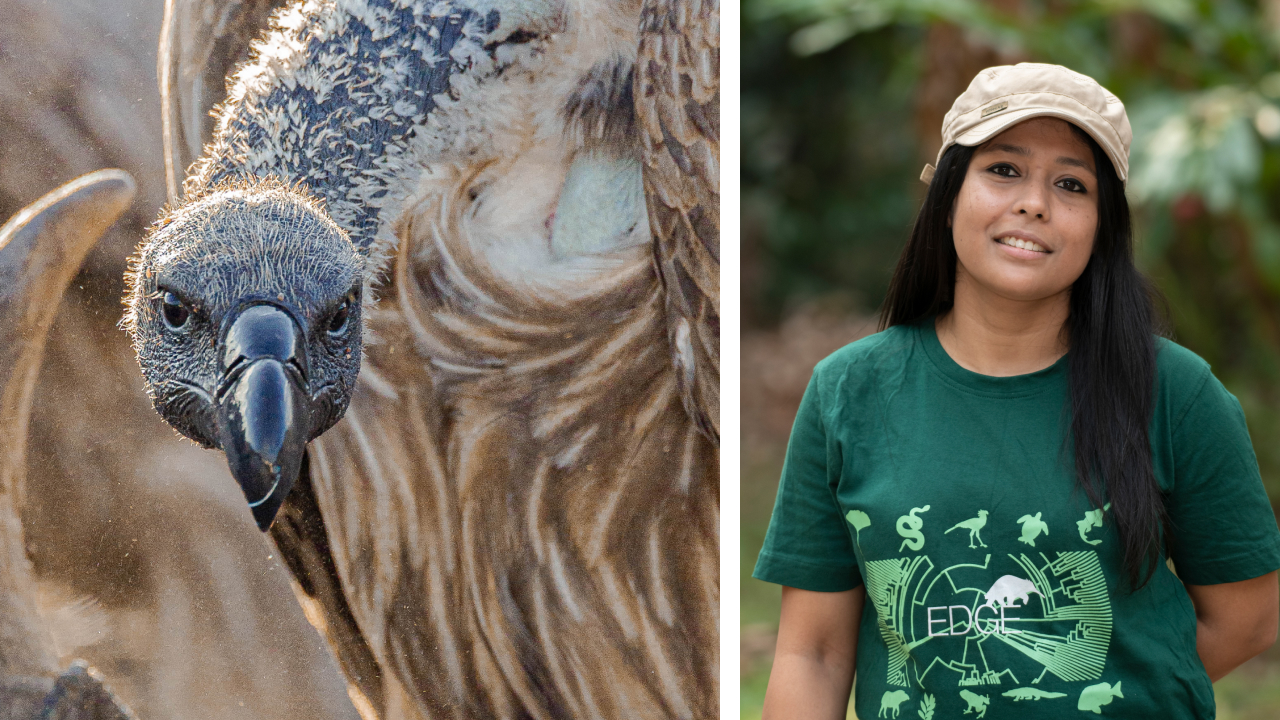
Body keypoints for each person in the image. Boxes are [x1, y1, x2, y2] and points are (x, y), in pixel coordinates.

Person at [752, 63, 1280, 720]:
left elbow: (1248, 617)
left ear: (1101, 226)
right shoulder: (848, 391)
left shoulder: (1177, 392)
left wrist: (1111, 693)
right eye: (1004, 170)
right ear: (947, 196)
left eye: (1071, 183)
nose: (1034, 202)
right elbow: (814, 654)